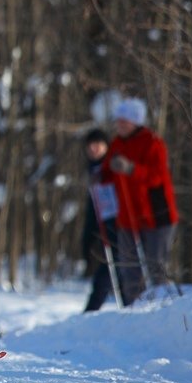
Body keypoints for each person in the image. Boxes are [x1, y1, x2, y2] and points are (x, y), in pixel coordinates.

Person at [100, 98, 179, 306]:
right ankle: (133, 307)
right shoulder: (116, 144)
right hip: (127, 216)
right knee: (130, 268)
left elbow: (158, 176)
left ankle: (162, 306)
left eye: (124, 122)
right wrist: (99, 176)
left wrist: (131, 169)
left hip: (156, 215)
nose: (120, 126)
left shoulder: (153, 143)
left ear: (136, 122)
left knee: (156, 265)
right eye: (118, 122)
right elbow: (108, 173)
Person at [80, 128, 121, 312]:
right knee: (109, 270)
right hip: (105, 225)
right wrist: (88, 238)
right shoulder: (92, 169)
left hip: (120, 225)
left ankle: (92, 310)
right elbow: (92, 208)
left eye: (98, 145)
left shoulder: (111, 166)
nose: (94, 149)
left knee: (116, 271)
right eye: (90, 146)